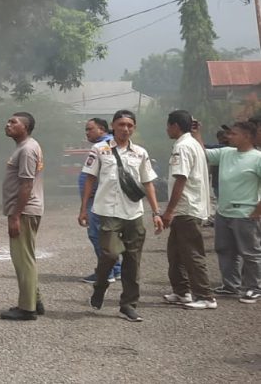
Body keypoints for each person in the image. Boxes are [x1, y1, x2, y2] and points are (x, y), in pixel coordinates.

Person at [79, 109, 164, 322]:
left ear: (133, 128)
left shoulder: (141, 153)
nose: (126, 129)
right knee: (109, 255)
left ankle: (128, 305)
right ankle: (100, 287)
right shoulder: (99, 150)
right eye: (121, 125)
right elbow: (90, 178)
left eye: (130, 125)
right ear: (113, 126)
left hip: (133, 213)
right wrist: (83, 209)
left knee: (133, 261)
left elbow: (148, 183)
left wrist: (156, 212)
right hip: (107, 212)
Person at [159, 110, 216, 309]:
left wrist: (169, 210)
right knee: (175, 253)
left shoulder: (183, 147)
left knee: (192, 253)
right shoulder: (193, 144)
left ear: (175, 125)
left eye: (168, 125)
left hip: (186, 209)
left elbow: (181, 178)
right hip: (187, 209)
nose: (167, 129)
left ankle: (205, 296)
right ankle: (181, 291)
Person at [203, 120, 261, 304]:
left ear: (247, 137)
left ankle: (253, 287)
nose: (229, 136)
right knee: (225, 250)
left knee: (250, 253)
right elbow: (201, 153)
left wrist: (257, 210)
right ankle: (230, 285)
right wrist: (195, 134)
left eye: (234, 133)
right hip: (224, 212)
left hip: (246, 214)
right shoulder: (225, 153)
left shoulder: (257, 158)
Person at [0, 112, 45, 321]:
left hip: (24, 211)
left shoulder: (26, 150)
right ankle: (35, 301)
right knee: (27, 257)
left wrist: (15, 215)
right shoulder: (26, 146)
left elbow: (26, 185)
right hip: (26, 210)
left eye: (13, 122)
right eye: (8, 121)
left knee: (23, 260)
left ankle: (27, 309)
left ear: (25, 128)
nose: (7, 124)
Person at [80, 118, 120, 284]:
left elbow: (93, 177)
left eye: (90, 129)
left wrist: (84, 205)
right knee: (107, 236)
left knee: (97, 235)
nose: (87, 132)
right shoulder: (108, 145)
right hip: (99, 198)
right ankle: (116, 269)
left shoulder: (103, 147)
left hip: (97, 199)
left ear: (102, 129)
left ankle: (106, 272)